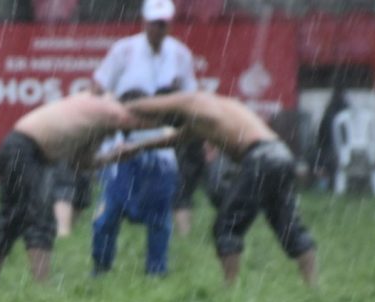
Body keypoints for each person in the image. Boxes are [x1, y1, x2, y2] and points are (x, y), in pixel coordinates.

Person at [125, 92, 318, 286]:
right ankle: (312, 285)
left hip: (261, 158)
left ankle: (230, 288)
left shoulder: (195, 103)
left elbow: (173, 102)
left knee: (226, 226)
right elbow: (174, 139)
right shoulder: (212, 112)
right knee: (288, 224)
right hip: (281, 155)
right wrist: (134, 148)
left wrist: (124, 107)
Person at [0, 92, 150, 290]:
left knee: (14, 218)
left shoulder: (94, 125)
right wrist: (170, 128)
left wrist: (114, 156)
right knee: (33, 218)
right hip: (23, 148)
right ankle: (41, 288)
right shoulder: (107, 106)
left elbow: (81, 163)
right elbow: (128, 118)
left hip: (26, 150)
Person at [89, 0, 197, 267]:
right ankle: (100, 268)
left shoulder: (180, 55)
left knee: (159, 216)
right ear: (144, 22)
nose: (159, 28)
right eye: (155, 23)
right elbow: (98, 87)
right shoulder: (124, 50)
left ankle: (157, 272)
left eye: (164, 23)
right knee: (108, 213)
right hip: (122, 142)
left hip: (161, 145)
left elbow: (192, 97)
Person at [90, 90, 179, 276]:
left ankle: (157, 270)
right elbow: (101, 157)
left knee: (158, 224)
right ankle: (101, 267)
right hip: (118, 183)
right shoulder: (113, 130)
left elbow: (169, 162)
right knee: (103, 222)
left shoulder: (160, 131)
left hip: (154, 182)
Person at [315, 85, 349, 191]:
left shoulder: (329, 113)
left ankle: (324, 183)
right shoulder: (347, 111)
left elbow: (321, 135)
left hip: (329, 148)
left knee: (319, 158)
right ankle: (329, 182)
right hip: (345, 147)